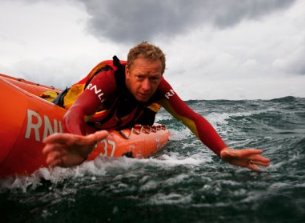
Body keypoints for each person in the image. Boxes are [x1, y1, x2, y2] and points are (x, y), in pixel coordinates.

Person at [42, 42, 270, 171]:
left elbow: (191, 118)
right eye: (140, 77)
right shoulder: (108, 79)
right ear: (128, 71)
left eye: (154, 78)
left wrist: (222, 150)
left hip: (123, 116)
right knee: (69, 101)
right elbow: (77, 111)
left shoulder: (160, 87)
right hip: (80, 105)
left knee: (147, 113)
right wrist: (78, 140)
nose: (146, 86)